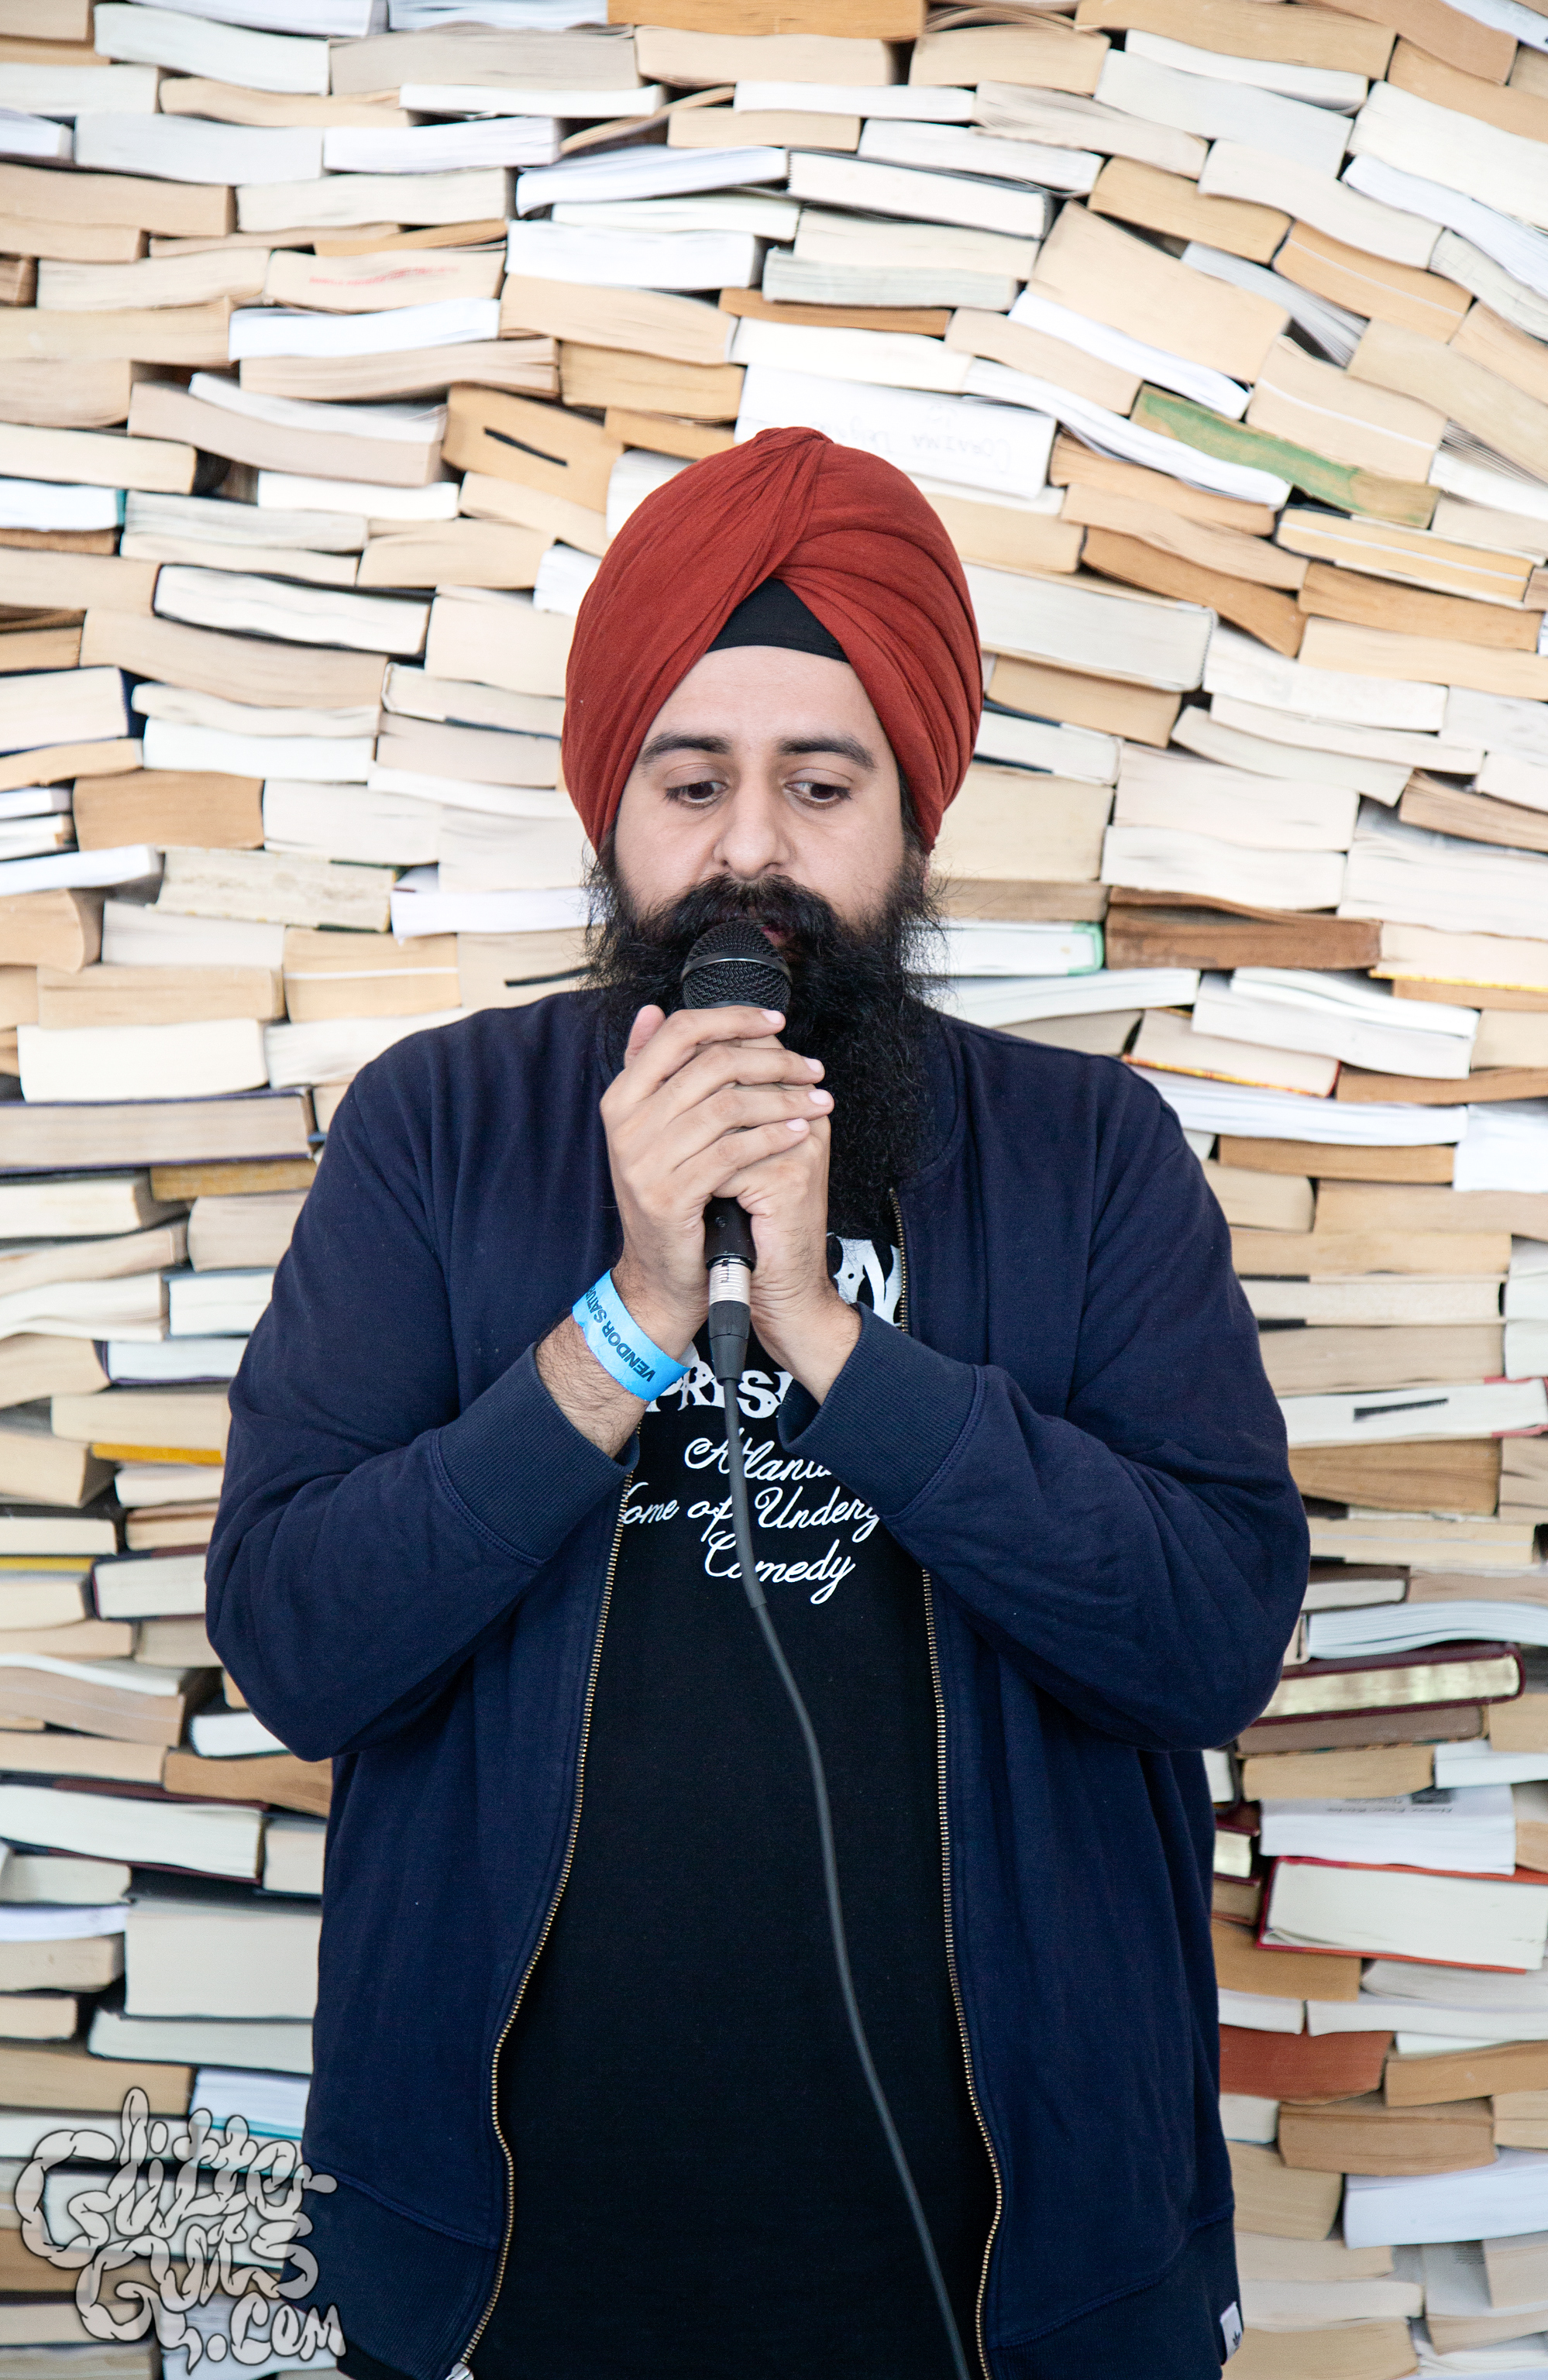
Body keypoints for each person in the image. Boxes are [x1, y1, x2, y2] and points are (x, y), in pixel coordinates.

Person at [207, 426, 1309, 2380]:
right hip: (513, 2268)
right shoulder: (436, 1129)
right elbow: (301, 1648)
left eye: (820, 783)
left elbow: (1207, 1641)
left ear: (911, 816)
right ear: (613, 808)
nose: (749, 853)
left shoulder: (1088, 1153)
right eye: (692, 781)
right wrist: (633, 1317)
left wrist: (825, 1335)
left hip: (1009, 2279)